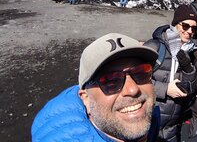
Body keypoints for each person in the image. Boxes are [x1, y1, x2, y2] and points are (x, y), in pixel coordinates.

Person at [31, 33, 160, 142]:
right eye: (111, 81)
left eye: (141, 72)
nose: (133, 90)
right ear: (86, 99)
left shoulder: (150, 116)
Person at [144, 4, 197, 142]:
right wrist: (166, 89)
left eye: (194, 28)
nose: (189, 31)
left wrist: (189, 69)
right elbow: (135, 81)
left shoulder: (188, 52)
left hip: (172, 127)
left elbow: (190, 89)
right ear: (175, 25)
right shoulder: (155, 47)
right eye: (185, 26)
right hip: (148, 122)